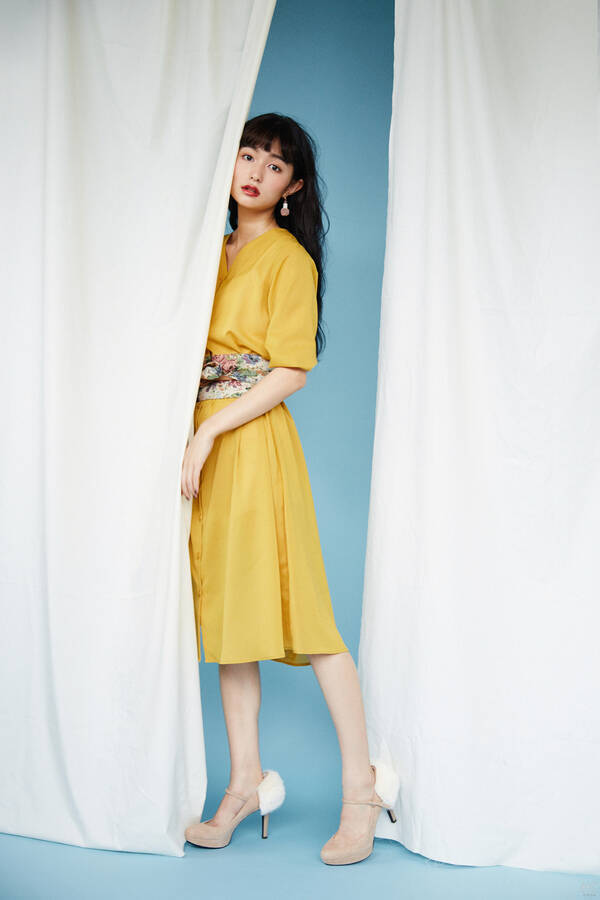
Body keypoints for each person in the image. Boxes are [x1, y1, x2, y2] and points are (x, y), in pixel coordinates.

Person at [181, 114, 399, 865]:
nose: (255, 172)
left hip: (250, 445)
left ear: (293, 187)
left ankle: (361, 788)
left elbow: (291, 370)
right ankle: (244, 782)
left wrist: (210, 431)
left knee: (305, 618)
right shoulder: (205, 252)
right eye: (247, 155)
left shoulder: (289, 259)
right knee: (228, 621)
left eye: (274, 165)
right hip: (204, 450)